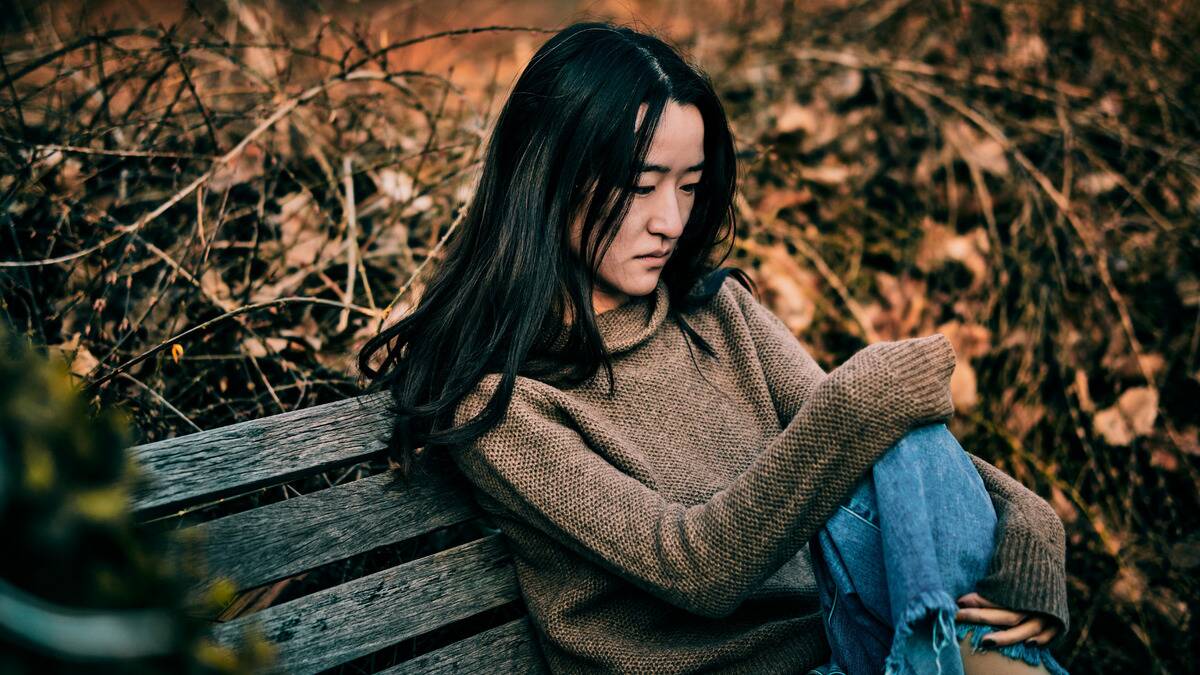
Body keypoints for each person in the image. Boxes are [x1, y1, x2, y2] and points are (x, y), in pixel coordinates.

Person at [359, 21, 1069, 674]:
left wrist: (1030, 525)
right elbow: (695, 566)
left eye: (690, 186)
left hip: (844, 641)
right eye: (641, 187)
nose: (670, 220)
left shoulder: (718, 312)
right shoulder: (505, 404)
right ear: (550, 178)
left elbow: (875, 451)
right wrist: (862, 399)